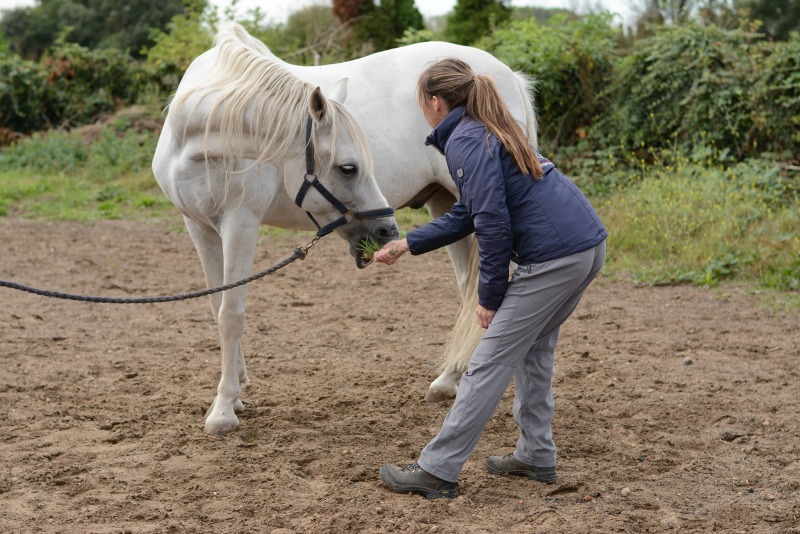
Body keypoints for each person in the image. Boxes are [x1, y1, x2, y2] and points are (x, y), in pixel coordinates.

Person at [373, 58, 607, 500]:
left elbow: (493, 223)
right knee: (533, 351)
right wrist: (409, 243)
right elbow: (468, 212)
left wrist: (489, 295)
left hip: (556, 256)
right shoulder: (481, 129)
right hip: (584, 246)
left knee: (487, 361)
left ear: (435, 102)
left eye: (420, 101)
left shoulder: (464, 139)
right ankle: (536, 454)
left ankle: (437, 470)